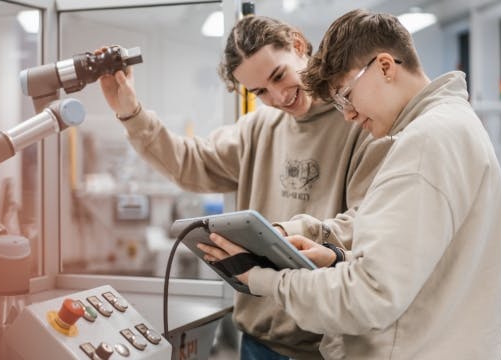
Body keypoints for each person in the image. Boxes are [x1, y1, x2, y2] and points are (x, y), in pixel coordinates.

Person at [199, 9, 501, 360]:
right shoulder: (452, 126)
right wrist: (336, 257)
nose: (347, 114)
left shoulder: (424, 144)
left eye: (346, 95)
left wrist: (262, 279)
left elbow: (368, 297)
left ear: (386, 67)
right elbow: (413, 263)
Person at [98, 15, 391, 360]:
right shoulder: (257, 128)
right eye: (260, 92)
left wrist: (286, 232)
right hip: (258, 339)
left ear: (298, 45)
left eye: (279, 75)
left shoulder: (358, 121)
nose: (279, 97)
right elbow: (191, 163)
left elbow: (368, 223)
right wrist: (130, 112)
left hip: (327, 345)